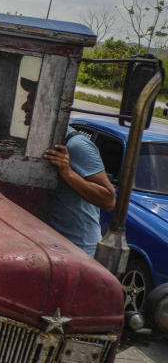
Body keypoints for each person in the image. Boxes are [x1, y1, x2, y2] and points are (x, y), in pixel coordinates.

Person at [20, 77, 116, 255]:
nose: (24, 107)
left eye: (31, 101)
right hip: (49, 243)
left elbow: (108, 199)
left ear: (48, 108)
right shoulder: (40, 140)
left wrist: (68, 173)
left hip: (78, 250)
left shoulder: (76, 145)